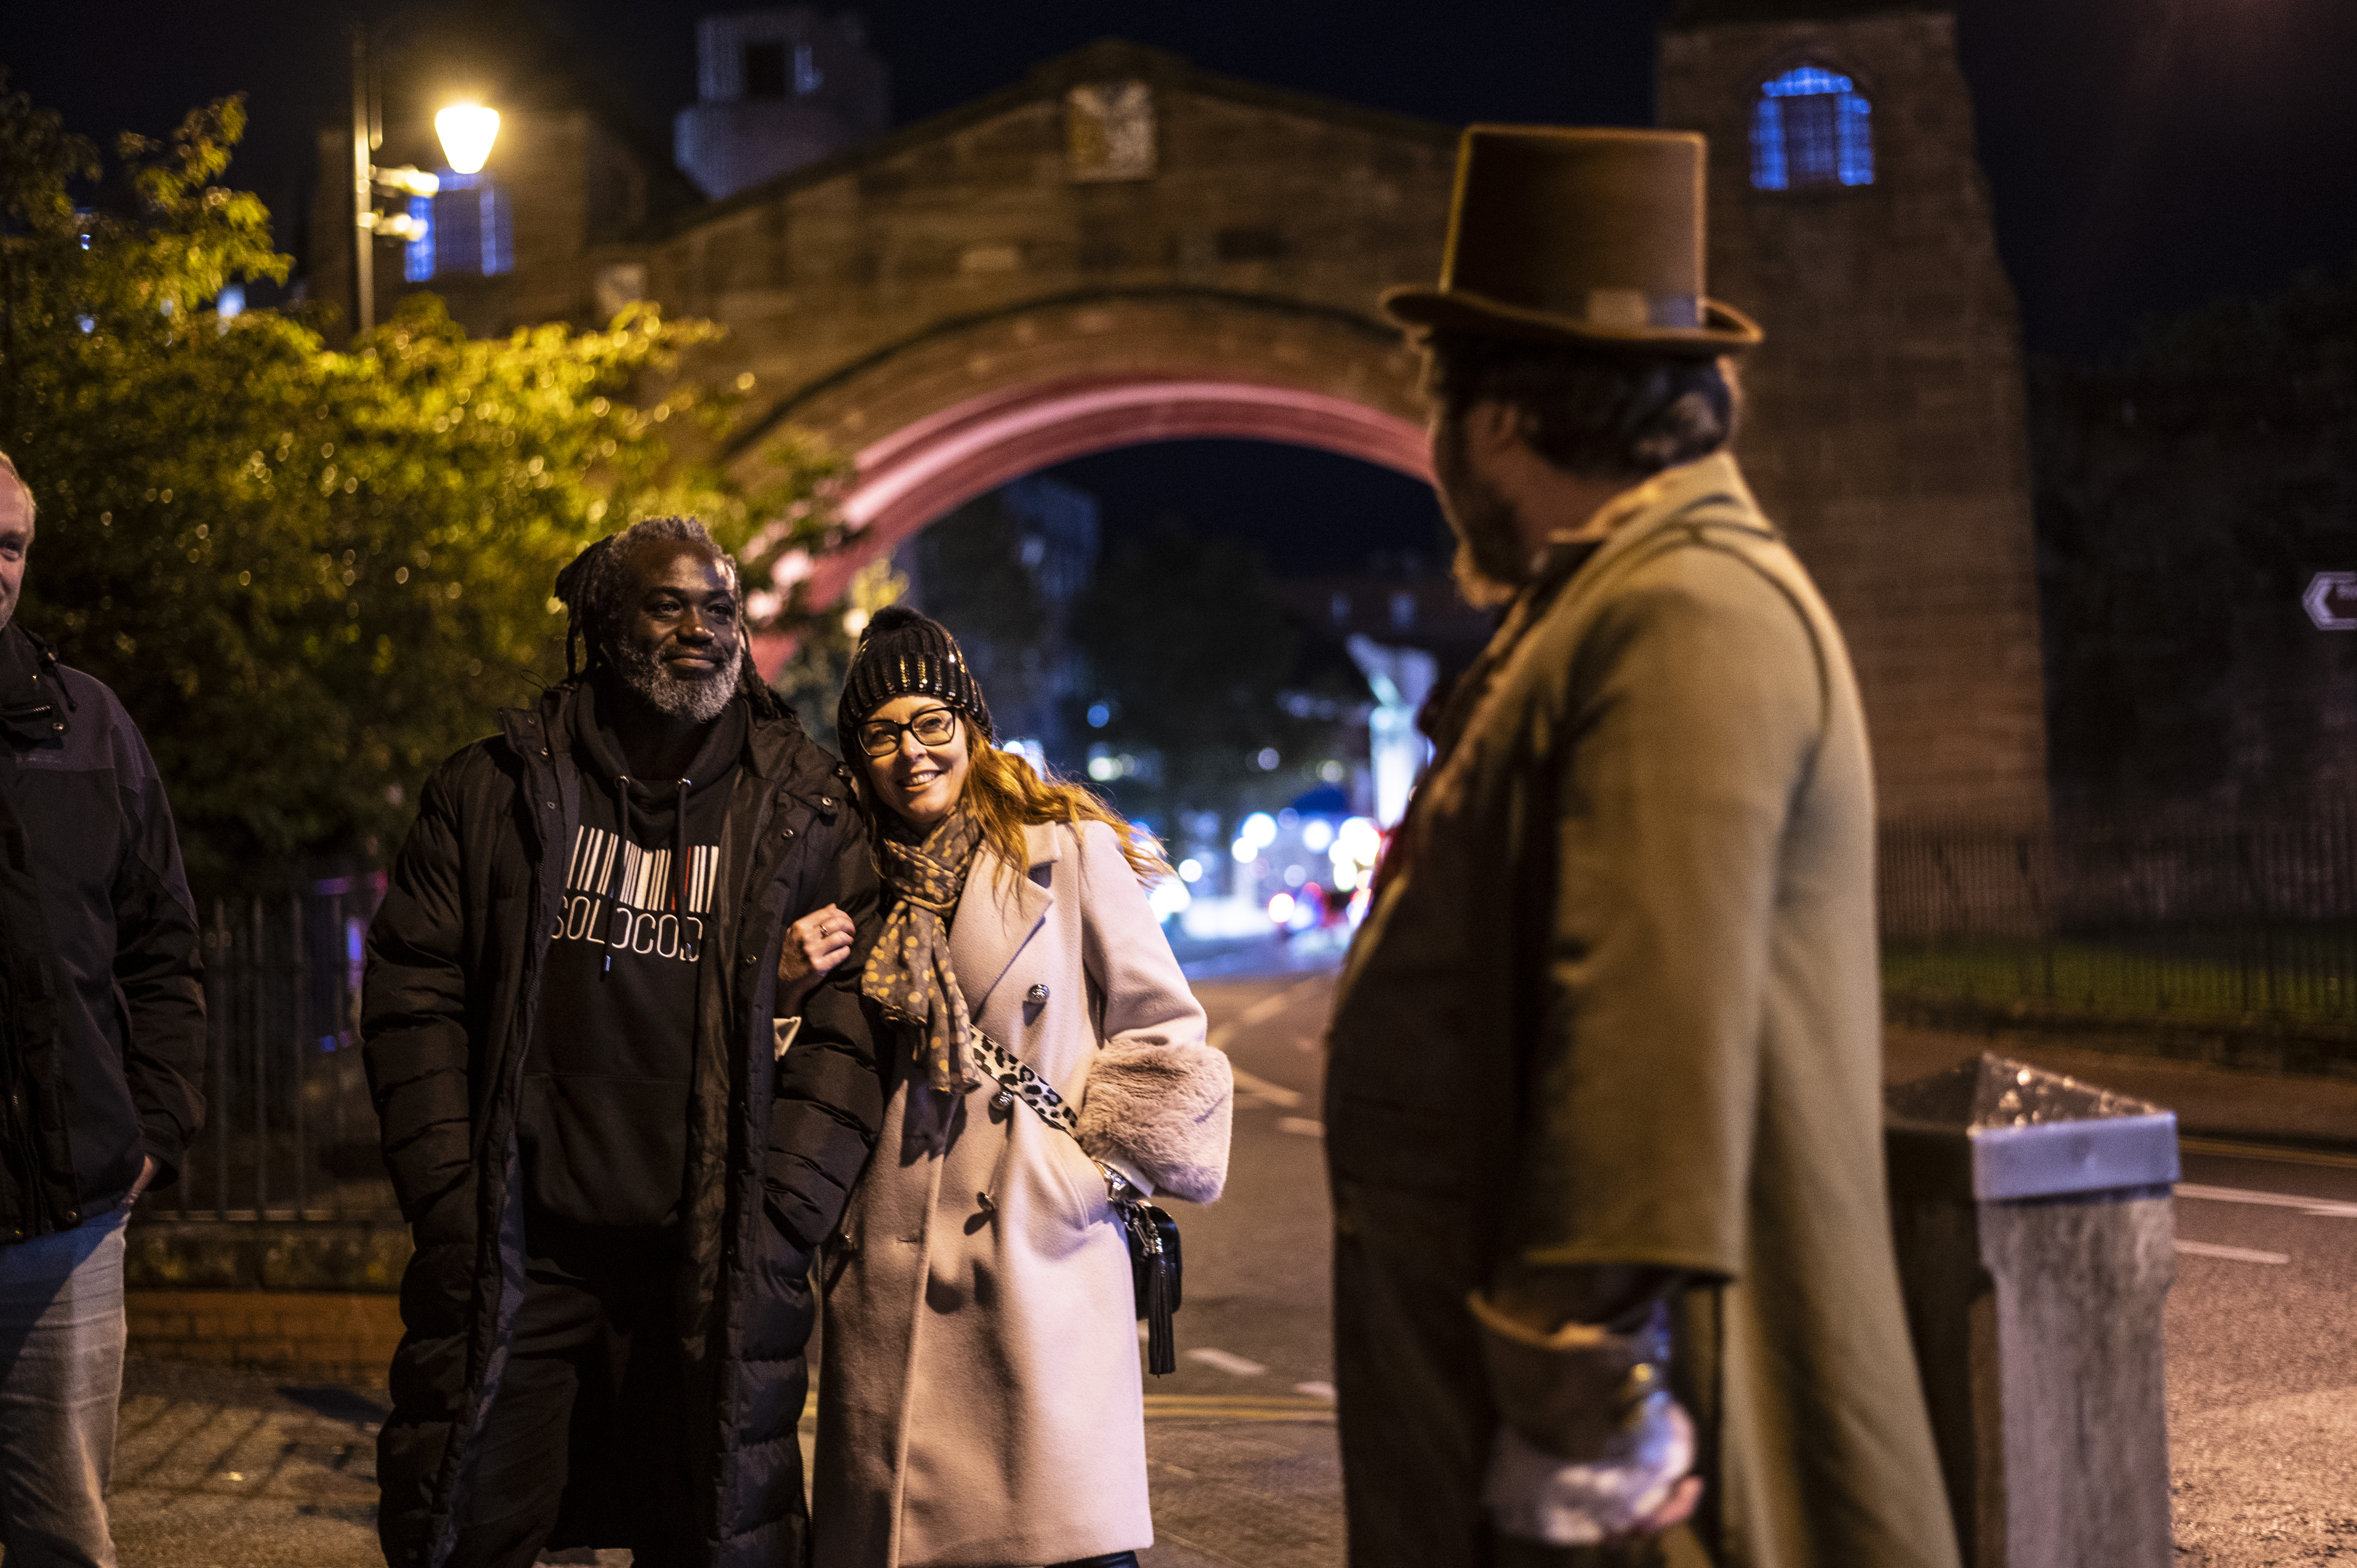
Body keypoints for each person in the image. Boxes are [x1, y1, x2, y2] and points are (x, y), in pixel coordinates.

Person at [1323, 128, 1961, 1567]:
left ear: (1488, 421)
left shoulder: (1683, 608)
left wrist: (1574, 1390)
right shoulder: (1608, 602)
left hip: (1649, 1454)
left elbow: (1640, 1023)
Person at [362, 516, 885, 1568]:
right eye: (668, 604)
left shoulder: (808, 808)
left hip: (709, 1260)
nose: (701, 628)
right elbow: (415, 991)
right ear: (606, 627)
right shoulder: (495, 789)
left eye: (720, 608)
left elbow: (852, 1030)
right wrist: (453, 1193)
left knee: (700, 1536)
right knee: (471, 1527)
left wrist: (781, 1209)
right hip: (525, 1255)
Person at [799, 606, 1232, 1568]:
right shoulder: (848, 872)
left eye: (931, 723)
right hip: (887, 1262)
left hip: (1036, 1255)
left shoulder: (1064, 846)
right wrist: (789, 983)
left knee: (1055, 1545)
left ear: (971, 728)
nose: (912, 753)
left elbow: (1167, 1032)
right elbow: (813, 1057)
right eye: (882, 733)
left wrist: (1074, 1180)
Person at [0, 449, 207, 1568]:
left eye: (11, 543)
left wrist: (156, 1123)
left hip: (66, 1228)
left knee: (62, 1540)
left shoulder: (87, 725)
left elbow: (163, 940)